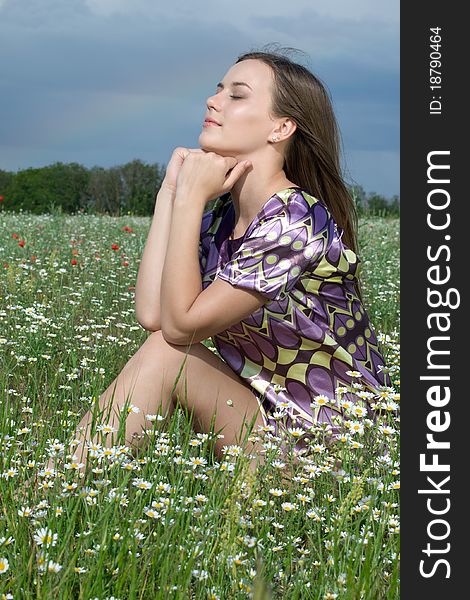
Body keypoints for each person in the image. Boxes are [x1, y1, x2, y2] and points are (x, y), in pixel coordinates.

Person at [45, 47, 390, 481]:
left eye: (237, 95)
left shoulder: (295, 220)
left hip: (336, 452)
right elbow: (154, 315)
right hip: (270, 426)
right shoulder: (221, 222)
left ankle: (51, 493)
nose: (214, 101)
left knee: (170, 354)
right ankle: (54, 492)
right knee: (165, 350)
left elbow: (180, 328)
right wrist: (170, 195)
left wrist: (190, 199)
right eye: (218, 90)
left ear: (281, 127)